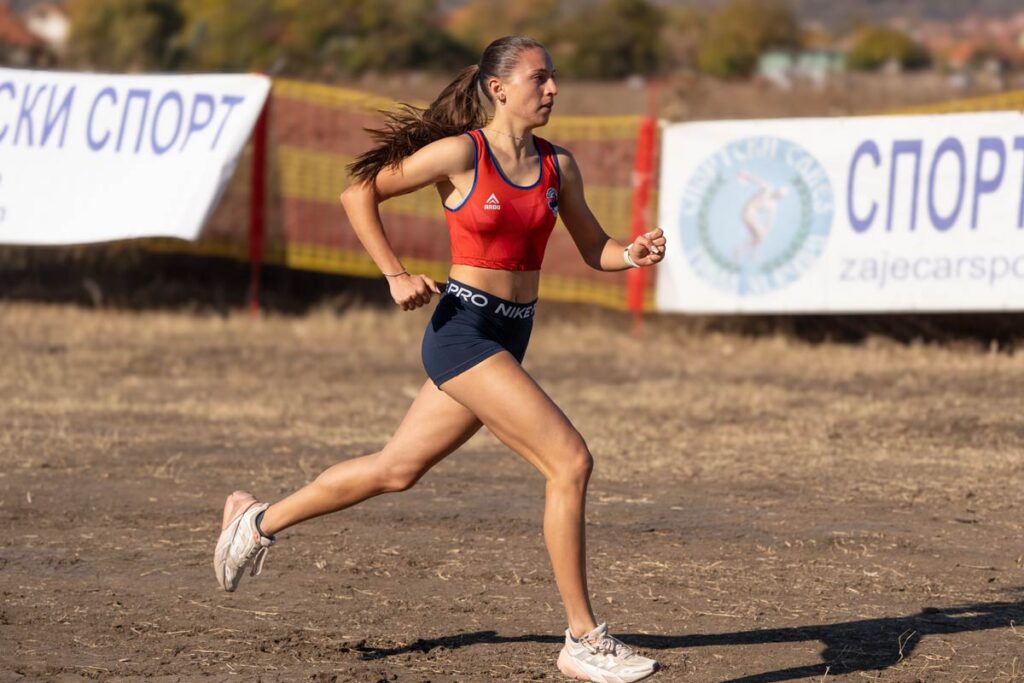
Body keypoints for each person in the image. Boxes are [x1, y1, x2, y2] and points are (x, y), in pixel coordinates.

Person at [214, 35, 666, 683]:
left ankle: (256, 521)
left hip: (511, 334)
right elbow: (357, 193)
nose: (553, 89)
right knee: (569, 461)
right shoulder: (461, 153)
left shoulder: (558, 165)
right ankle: (583, 639)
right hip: (463, 332)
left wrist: (633, 254)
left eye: (553, 77)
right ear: (498, 89)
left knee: (395, 470)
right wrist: (394, 273)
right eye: (539, 78)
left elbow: (596, 248)